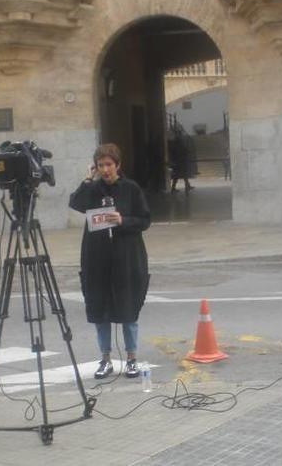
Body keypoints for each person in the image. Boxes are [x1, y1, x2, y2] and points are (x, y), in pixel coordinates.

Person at [69, 143, 151, 379]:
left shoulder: (131, 189)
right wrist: (87, 179)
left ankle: (132, 358)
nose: (105, 170)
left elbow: (144, 220)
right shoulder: (92, 189)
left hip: (126, 256)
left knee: (128, 310)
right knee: (100, 309)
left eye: (108, 165)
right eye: (100, 166)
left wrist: (122, 220)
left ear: (117, 165)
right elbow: (76, 203)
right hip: (97, 258)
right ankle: (105, 358)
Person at [169, 128, 195, 193]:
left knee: (177, 176)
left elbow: (172, 153)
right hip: (182, 162)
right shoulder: (180, 144)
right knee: (183, 175)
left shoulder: (174, 144)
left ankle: (176, 187)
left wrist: (173, 161)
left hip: (177, 162)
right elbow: (185, 151)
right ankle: (186, 187)